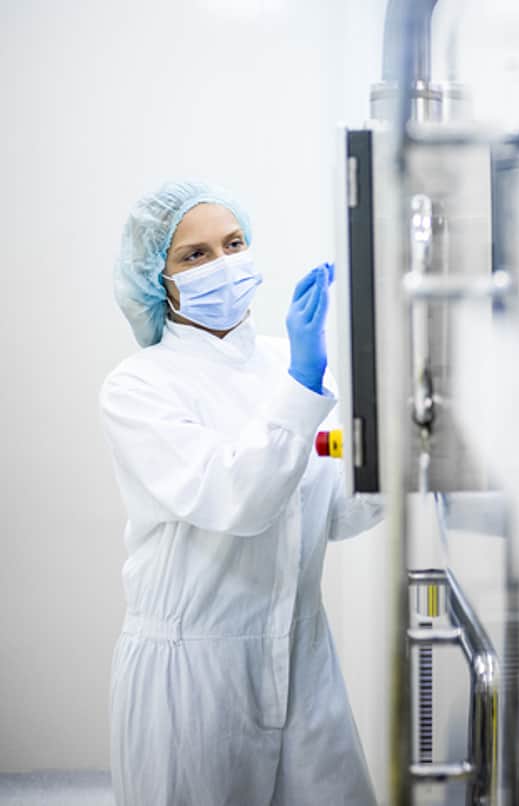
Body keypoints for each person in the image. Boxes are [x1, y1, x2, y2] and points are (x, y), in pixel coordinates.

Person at [100, 181, 380, 805]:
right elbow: (238, 499)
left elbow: (335, 513)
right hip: (193, 677)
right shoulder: (139, 387)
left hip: (304, 660)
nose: (223, 265)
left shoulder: (295, 365)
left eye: (233, 244)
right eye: (195, 256)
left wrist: (392, 455)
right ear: (158, 279)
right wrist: (304, 384)